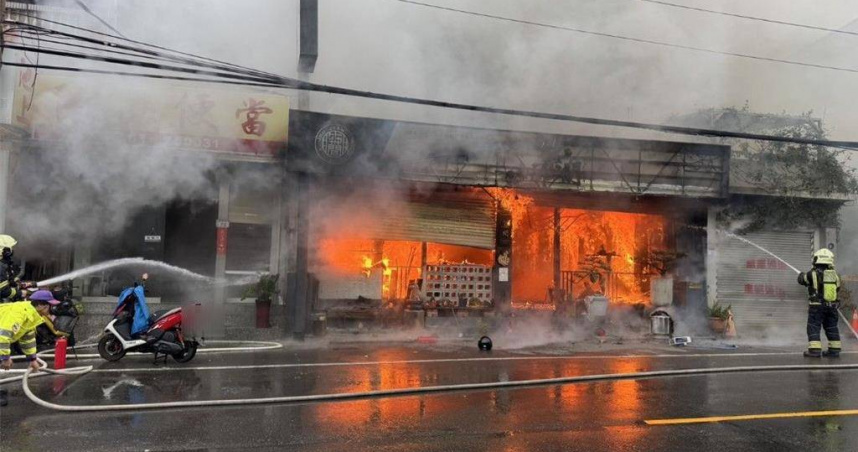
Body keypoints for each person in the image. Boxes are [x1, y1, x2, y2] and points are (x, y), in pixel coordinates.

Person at [0, 295, 59, 406]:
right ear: (40, 305)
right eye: (50, 306)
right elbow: (3, 336)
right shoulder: (19, 313)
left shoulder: (31, 315)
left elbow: (28, 339)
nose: (52, 309)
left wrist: (32, 359)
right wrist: (5, 358)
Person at [797, 248, 842, 358]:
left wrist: (801, 275)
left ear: (817, 260)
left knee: (813, 326)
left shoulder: (812, 274)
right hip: (832, 307)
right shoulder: (835, 276)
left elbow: (802, 280)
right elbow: (838, 289)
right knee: (831, 327)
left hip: (817, 307)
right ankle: (834, 350)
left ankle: (814, 350)